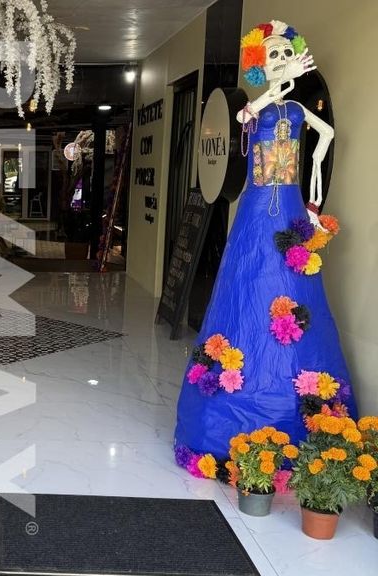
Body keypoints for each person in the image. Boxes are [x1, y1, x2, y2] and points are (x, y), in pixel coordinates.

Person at [174, 20, 357, 469]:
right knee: (245, 277)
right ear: (259, 64)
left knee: (293, 280)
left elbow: (326, 137)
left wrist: (314, 197)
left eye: (284, 53)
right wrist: (276, 89)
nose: (278, 60)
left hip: (291, 200)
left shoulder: (296, 109)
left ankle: (304, 414)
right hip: (257, 204)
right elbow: (244, 117)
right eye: (270, 55)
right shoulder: (258, 107)